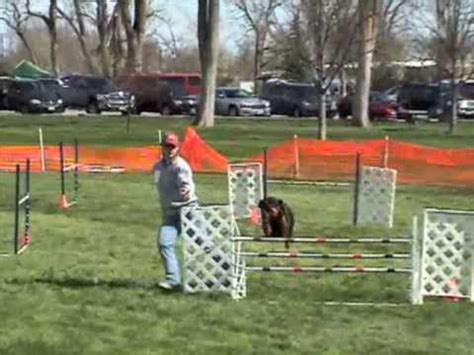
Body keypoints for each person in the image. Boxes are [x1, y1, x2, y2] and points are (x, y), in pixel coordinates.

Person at [153, 132, 197, 290]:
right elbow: (158, 184)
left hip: (188, 212)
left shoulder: (181, 167)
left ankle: (225, 266)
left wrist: (185, 194)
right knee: (164, 243)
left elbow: (187, 188)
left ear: (178, 148)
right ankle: (173, 281)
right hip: (170, 213)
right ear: (162, 147)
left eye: (173, 147)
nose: (170, 150)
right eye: (167, 146)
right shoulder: (158, 167)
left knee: (202, 243)